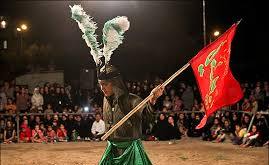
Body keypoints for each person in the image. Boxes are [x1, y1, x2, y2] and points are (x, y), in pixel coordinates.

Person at [70, 6, 164, 164]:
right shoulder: (107, 99)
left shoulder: (132, 100)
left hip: (130, 151)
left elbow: (148, 120)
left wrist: (152, 99)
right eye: (100, 84)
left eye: (105, 84)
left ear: (115, 84)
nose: (102, 88)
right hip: (112, 148)